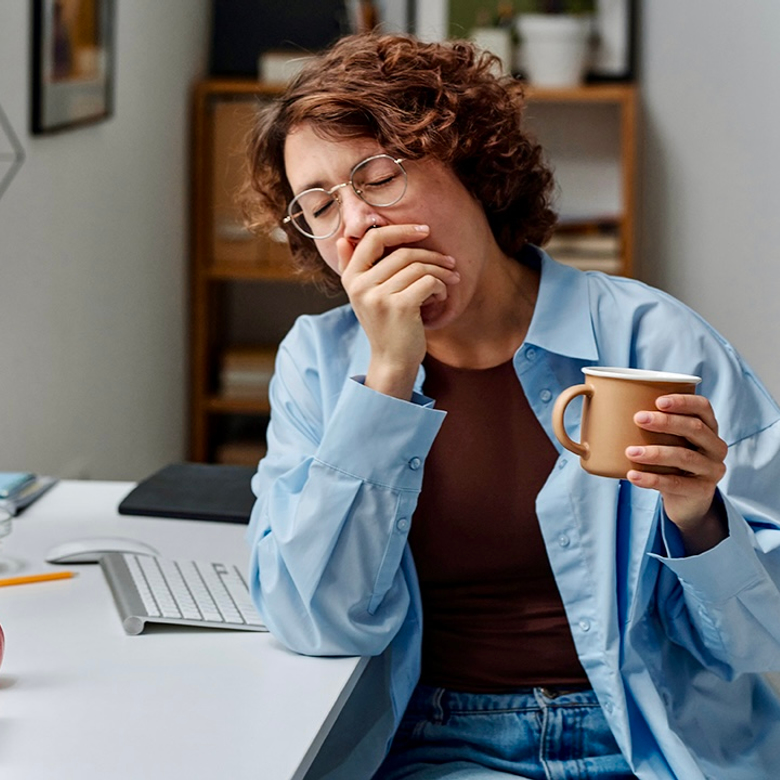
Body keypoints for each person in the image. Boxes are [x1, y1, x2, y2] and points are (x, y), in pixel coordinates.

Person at [242, 33, 780, 780]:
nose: (356, 223)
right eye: (320, 205)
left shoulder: (653, 338)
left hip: (658, 739)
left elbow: (763, 642)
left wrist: (701, 519)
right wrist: (387, 381)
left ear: (470, 164)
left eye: (377, 175)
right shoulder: (321, 363)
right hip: (439, 742)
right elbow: (316, 622)